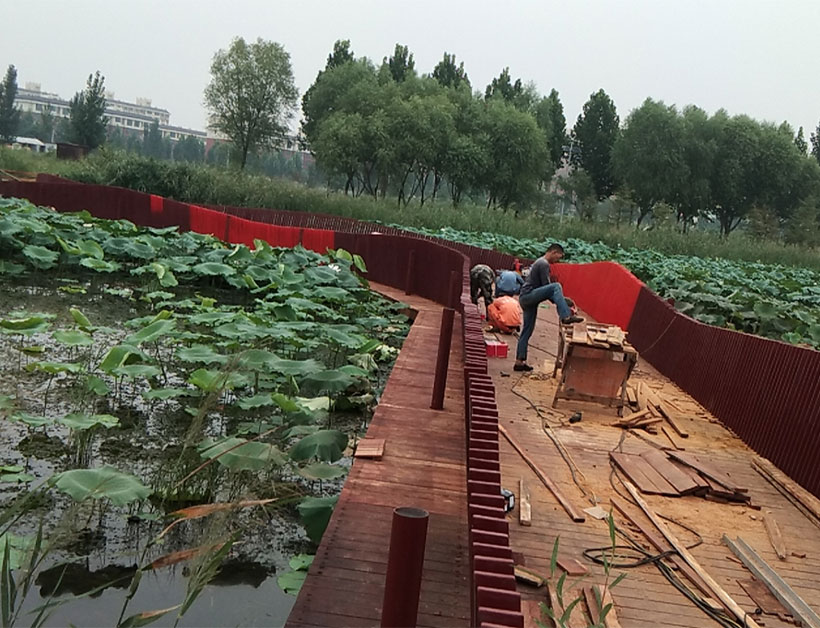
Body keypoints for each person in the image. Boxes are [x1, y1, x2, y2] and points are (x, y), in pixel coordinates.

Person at [515, 243, 583, 372]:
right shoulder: (543, 264)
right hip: (529, 296)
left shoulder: (539, 262)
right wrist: (562, 302)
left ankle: (519, 362)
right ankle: (566, 316)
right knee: (556, 286)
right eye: (558, 257)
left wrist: (562, 300)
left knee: (527, 331)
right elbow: (548, 288)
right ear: (553, 252)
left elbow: (546, 291)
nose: (557, 260)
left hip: (526, 298)